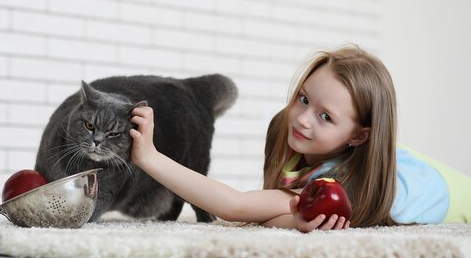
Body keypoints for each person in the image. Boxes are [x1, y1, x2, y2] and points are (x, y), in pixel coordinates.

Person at [129, 46, 471, 231]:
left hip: (455, 193)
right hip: (405, 165)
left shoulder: (341, 185)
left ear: (358, 136)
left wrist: (150, 157)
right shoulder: (286, 127)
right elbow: (271, 210)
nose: (303, 119)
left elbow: (235, 206)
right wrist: (292, 219)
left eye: (325, 116)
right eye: (304, 99)